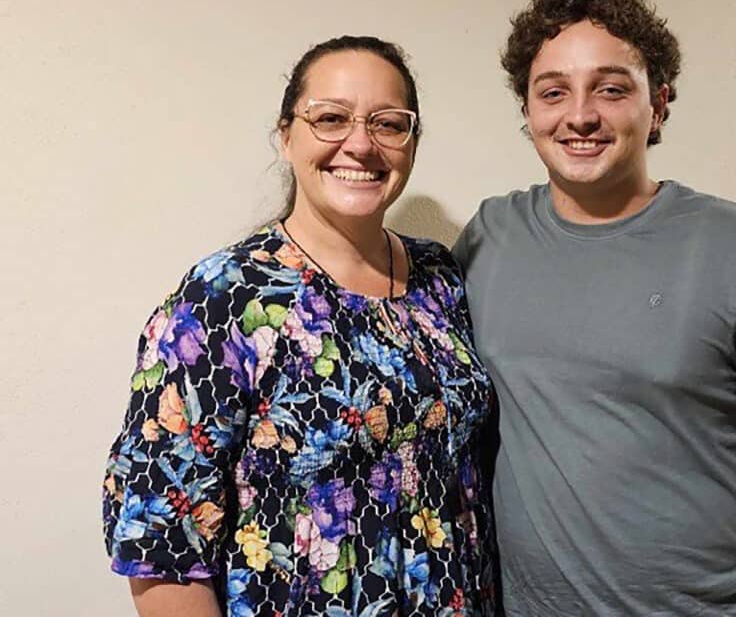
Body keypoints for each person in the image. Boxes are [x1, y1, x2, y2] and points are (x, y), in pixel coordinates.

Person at [452, 0, 736, 616]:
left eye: (612, 89)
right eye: (553, 91)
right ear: (528, 110)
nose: (580, 115)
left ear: (659, 104)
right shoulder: (489, 238)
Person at [102, 36, 498, 616]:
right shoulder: (225, 297)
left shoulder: (439, 277)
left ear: (411, 143)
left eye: (388, 123)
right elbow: (160, 537)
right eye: (331, 119)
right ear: (286, 136)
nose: (360, 145)